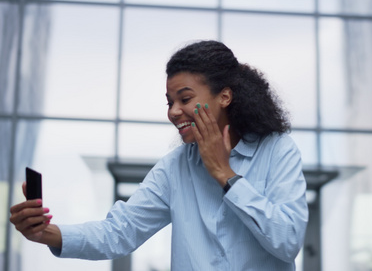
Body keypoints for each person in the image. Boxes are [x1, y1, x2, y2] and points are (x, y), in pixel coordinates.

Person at [10, 40, 309, 270]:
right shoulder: (175, 168)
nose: (173, 112)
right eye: (169, 102)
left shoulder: (277, 151)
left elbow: (287, 241)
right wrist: (47, 234)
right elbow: (120, 232)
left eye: (185, 99)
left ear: (225, 97)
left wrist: (226, 176)